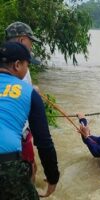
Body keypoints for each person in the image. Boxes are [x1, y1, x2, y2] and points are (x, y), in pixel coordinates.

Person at [0, 42, 59, 199]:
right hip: (6, 165)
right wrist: (53, 178)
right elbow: (44, 142)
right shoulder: (29, 92)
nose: (28, 70)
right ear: (17, 65)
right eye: (27, 65)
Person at [5, 21, 42, 182]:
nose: (32, 45)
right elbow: (44, 140)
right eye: (30, 41)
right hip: (19, 134)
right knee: (29, 171)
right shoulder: (20, 65)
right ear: (21, 40)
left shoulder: (7, 61)